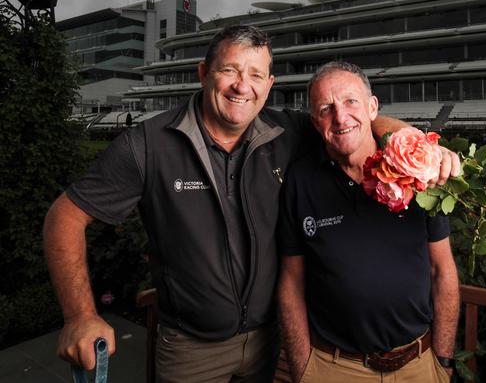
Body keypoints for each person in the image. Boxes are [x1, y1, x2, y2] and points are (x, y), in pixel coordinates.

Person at [43, 25, 461, 382]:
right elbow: (64, 217)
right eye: (230, 70)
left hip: (267, 342)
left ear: (269, 85)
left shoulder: (288, 131)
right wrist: (80, 315)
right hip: (191, 347)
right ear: (204, 73)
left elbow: (355, 122)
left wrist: (412, 143)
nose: (243, 86)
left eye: (256, 75)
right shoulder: (148, 145)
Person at [278, 61, 461, 383]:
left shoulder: (418, 173)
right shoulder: (300, 180)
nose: (340, 116)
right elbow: (291, 281)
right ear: (314, 122)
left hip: (417, 366)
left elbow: (442, 270)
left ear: (372, 107)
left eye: (350, 101)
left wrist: (443, 360)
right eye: (326, 108)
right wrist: (303, 367)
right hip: (332, 367)